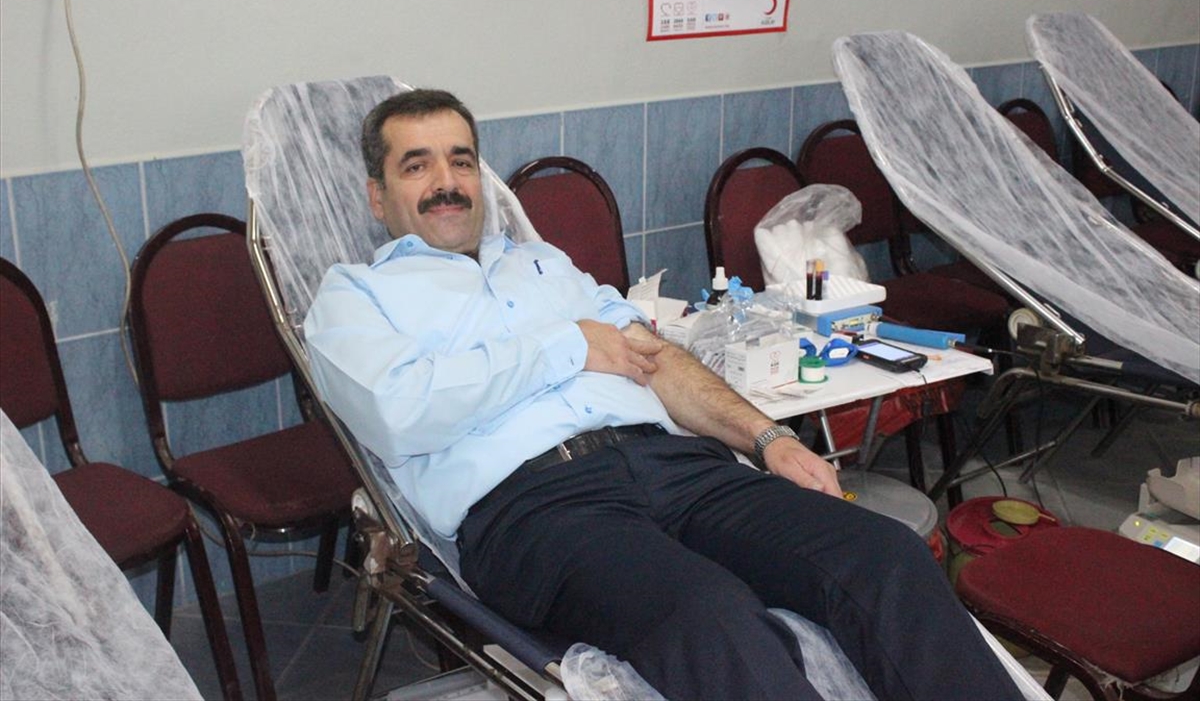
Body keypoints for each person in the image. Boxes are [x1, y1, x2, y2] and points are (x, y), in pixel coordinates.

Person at [304, 89, 1026, 701]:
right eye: (417, 165)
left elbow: (661, 363)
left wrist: (767, 438)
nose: (447, 181)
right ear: (378, 196)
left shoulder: (542, 265)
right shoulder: (355, 298)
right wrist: (569, 345)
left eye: (461, 160)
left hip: (679, 468)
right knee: (712, 615)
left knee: (882, 555)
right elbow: (398, 413)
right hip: (536, 509)